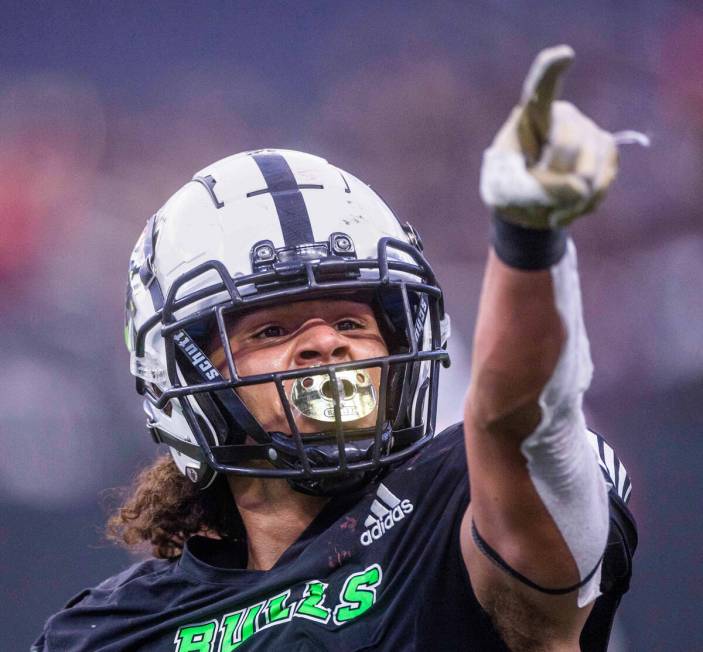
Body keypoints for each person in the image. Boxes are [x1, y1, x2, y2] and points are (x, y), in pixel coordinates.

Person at [34, 45, 636, 652]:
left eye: (352, 321)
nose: (325, 342)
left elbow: (519, 424)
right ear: (177, 377)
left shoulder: (453, 504)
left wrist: (526, 242)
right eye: (272, 330)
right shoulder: (111, 631)